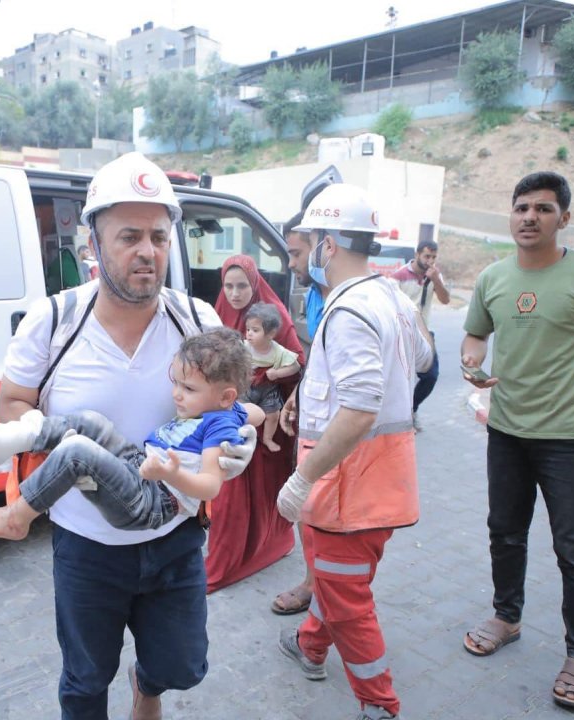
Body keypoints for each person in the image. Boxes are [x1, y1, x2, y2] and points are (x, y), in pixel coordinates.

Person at [0, 152, 253, 720]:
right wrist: (58, 453)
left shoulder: (198, 320)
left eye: (159, 237)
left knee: (184, 665)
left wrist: (237, 445)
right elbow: (12, 403)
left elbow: (234, 403)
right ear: (94, 241)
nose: (147, 252)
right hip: (87, 546)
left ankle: (149, 685)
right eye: (129, 236)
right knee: (85, 680)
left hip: (177, 536)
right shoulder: (55, 320)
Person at [460, 171, 574, 711]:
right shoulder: (492, 277)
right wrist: (472, 360)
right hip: (508, 432)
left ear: (564, 218)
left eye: (542, 208)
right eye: (521, 207)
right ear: (510, 215)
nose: (529, 217)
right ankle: (507, 616)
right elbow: (475, 332)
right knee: (505, 532)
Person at [272, 184, 433, 720]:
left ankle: (379, 705)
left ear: (329, 244)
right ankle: (311, 646)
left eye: (313, 239)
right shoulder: (390, 296)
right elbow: (426, 359)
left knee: (349, 600)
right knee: (339, 580)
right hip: (381, 481)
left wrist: (302, 479)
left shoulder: (350, 310)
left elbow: (360, 411)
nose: (312, 249)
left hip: (346, 488)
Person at [0, 329, 261, 538]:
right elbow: (254, 413)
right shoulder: (227, 410)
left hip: (153, 500)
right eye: (177, 384)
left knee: (77, 451)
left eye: (189, 388)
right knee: (92, 422)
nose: (177, 395)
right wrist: (249, 427)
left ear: (225, 396)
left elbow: (209, 487)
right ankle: (13, 440)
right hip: (141, 470)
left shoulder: (219, 423)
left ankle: (17, 518)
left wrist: (171, 474)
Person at [206, 253, 306, 594]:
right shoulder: (219, 312)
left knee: (258, 491)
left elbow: (298, 361)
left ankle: (264, 547)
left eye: (242, 286)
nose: (234, 293)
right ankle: (232, 556)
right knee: (229, 494)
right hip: (231, 413)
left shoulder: (272, 316)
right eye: (229, 286)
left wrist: (267, 375)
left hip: (267, 420)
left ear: (255, 284)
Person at [272, 211, 326, 616]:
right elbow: (316, 356)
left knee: (319, 505)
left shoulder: (352, 299)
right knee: (310, 509)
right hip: (313, 412)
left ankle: (324, 592)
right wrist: (298, 395)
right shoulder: (314, 293)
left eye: (296, 253)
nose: (290, 264)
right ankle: (314, 582)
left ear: (325, 246)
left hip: (335, 427)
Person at [391, 238, 449, 431]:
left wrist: (436, 281)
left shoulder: (434, 276)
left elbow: (445, 299)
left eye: (433, 257)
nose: (430, 261)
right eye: (426, 256)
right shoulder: (398, 276)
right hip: (403, 333)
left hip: (425, 333)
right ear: (417, 255)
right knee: (400, 377)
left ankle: (412, 409)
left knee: (431, 376)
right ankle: (399, 416)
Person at [242, 304, 301, 452]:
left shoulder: (278, 351)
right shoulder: (244, 347)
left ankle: (267, 438)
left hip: (268, 389)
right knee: (240, 412)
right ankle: (239, 437)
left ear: (271, 334)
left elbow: (296, 367)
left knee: (273, 415)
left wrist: (277, 373)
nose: (249, 334)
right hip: (246, 387)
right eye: (248, 329)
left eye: (255, 330)